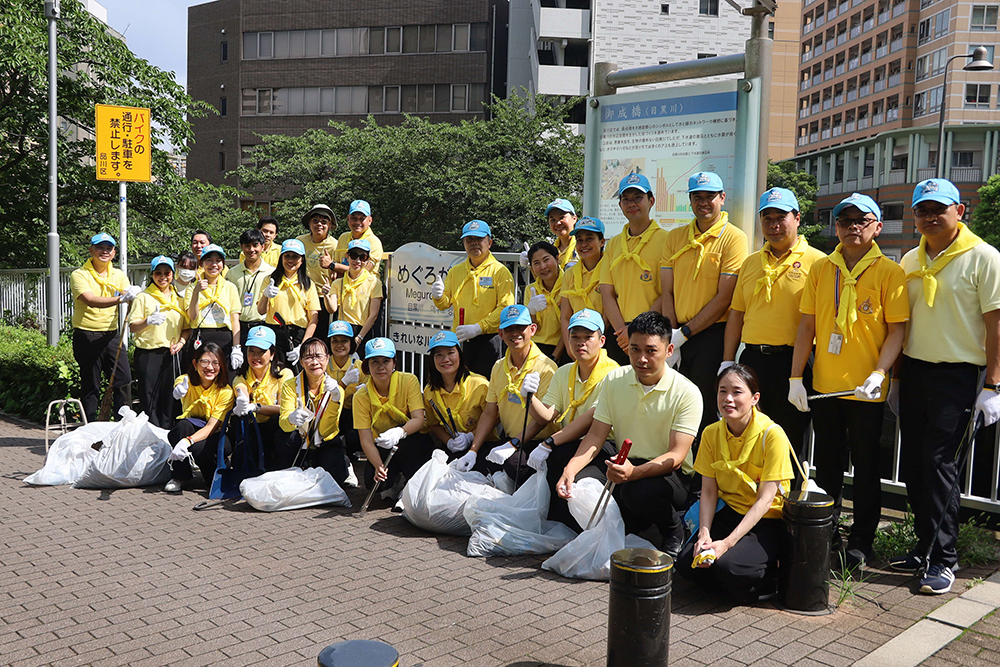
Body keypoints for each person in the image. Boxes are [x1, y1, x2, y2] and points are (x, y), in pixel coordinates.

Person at [789, 192, 908, 572]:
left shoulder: (891, 272)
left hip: (866, 390)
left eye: (862, 221)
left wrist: (880, 372)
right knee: (826, 466)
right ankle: (826, 535)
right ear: (835, 227)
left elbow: (897, 330)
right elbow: (807, 324)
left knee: (868, 467)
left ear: (877, 226)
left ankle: (861, 541)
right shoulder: (823, 269)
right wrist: (795, 376)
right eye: (845, 221)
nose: (853, 227)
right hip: (825, 386)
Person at [893, 179, 1000, 594]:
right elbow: (903, 326)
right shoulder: (909, 261)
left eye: (938, 208)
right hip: (917, 370)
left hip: (959, 375)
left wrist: (993, 383)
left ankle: (944, 557)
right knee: (917, 466)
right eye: (922, 210)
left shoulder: (983, 257)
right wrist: (897, 380)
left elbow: (996, 326)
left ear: (960, 210)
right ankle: (923, 548)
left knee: (940, 466)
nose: (930, 216)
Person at [556, 310, 702, 557]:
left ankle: (674, 530)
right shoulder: (615, 380)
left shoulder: (687, 393)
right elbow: (595, 436)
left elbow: (676, 455)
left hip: (669, 473)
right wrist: (569, 471)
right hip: (625, 464)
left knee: (636, 493)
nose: (641, 359)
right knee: (578, 477)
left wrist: (635, 473)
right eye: (635, 349)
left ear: (669, 351)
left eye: (651, 350)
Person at [722, 188, 826, 461]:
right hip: (753, 360)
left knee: (790, 441)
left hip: (796, 362)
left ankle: (789, 500)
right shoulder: (751, 263)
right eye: (767, 218)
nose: (774, 225)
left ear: (798, 218)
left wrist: (798, 375)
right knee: (751, 436)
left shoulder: (818, 262)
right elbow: (737, 314)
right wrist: (726, 361)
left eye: (781, 217)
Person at [678, 364, 794, 602]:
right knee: (685, 564)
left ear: (755, 398)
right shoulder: (711, 433)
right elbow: (709, 492)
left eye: (737, 392)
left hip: (764, 521)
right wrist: (704, 534)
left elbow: (765, 500)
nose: (728, 399)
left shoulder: (772, 435)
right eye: (722, 391)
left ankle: (768, 576)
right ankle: (738, 584)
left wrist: (727, 544)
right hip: (728, 511)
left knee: (727, 567)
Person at [662, 171, 748, 438]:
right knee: (674, 406)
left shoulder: (734, 238)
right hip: (676, 336)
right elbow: (667, 291)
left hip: (711, 336)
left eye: (710, 196)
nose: (703, 202)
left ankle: (702, 477)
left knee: (703, 410)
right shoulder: (674, 237)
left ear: (722, 198)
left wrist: (685, 334)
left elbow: (725, 297)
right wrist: (671, 335)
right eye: (697, 197)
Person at [524, 309, 619, 529]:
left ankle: (574, 528)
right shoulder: (564, 371)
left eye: (588, 337)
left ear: (602, 340)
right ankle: (555, 524)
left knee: (564, 465)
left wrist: (549, 442)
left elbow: (590, 419)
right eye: (575, 336)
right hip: (569, 440)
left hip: (602, 443)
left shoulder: (613, 373)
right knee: (537, 462)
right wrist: (529, 398)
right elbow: (547, 415)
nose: (580, 343)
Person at [454, 304, 558, 477]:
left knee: (513, 465)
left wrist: (514, 444)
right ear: (500, 333)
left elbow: (543, 420)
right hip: (509, 441)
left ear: (532, 329)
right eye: (509, 328)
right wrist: (473, 450)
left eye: (520, 327)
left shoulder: (547, 368)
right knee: (476, 465)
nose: (515, 333)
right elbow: (489, 413)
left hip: (538, 443)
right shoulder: (498, 367)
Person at [431, 220, 515, 378]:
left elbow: (505, 309)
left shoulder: (500, 272)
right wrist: (438, 296)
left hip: (490, 340)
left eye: (479, 239)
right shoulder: (456, 271)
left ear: (489, 243)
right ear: (463, 243)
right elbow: (444, 304)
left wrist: (478, 328)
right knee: (463, 384)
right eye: (469, 240)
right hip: (461, 340)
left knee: (487, 388)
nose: (474, 243)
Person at [70, 233, 140, 421]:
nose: (104, 251)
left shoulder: (118, 275)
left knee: (123, 380)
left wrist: (136, 295)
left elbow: (129, 295)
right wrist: (121, 299)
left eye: (109, 248)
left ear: (114, 252)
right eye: (100, 247)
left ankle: (120, 427)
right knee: (91, 385)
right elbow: (91, 300)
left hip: (111, 336)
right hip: (87, 335)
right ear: (91, 250)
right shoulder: (79, 274)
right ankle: (89, 429)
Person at [601, 174, 669, 366]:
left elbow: (668, 292)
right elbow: (607, 293)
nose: (632, 204)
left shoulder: (667, 240)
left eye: (638, 198)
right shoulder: (613, 244)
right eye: (626, 199)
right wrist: (623, 330)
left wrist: (636, 329)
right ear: (620, 205)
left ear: (651, 200)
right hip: (619, 335)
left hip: (653, 332)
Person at [353, 338, 433, 498]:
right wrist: (378, 466)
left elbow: (418, 419)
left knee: (414, 449)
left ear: (394, 363)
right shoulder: (360, 396)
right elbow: (366, 440)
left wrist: (400, 432)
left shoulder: (409, 380)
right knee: (373, 481)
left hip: (411, 439)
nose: (381, 367)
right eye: (374, 361)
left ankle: (410, 484)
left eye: (386, 361)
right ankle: (394, 479)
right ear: (367, 366)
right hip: (383, 445)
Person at [165, 342, 236, 493]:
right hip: (192, 426)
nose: (210, 367)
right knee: (181, 428)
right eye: (204, 362)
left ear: (222, 366)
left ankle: (217, 468)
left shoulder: (226, 392)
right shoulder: (186, 380)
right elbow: (178, 385)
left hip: (216, 434)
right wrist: (178, 391)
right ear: (195, 363)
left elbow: (211, 427)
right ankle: (179, 476)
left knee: (199, 450)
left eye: (215, 363)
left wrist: (187, 441)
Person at [278, 337, 349, 482]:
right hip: (299, 440)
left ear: (327, 359)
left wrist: (335, 399)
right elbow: (283, 424)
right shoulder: (290, 385)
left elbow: (326, 430)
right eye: (309, 357)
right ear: (301, 362)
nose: (315, 362)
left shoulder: (337, 390)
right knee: (285, 438)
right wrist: (291, 418)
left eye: (319, 356)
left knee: (336, 479)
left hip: (325, 440)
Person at [129, 255, 188, 428]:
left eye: (167, 273)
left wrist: (181, 343)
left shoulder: (179, 297)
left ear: (173, 274)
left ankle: (168, 437)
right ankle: (151, 436)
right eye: (158, 273)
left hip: (172, 354)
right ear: (152, 275)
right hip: (149, 354)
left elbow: (186, 327)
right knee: (149, 399)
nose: (163, 277)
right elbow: (132, 326)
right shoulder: (143, 297)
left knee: (171, 398)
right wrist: (147, 321)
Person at [232, 326, 294, 472]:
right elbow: (241, 389)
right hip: (254, 429)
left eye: (261, 352)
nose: (255, 356)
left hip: (277, 430)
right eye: (251, 351)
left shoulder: (284, 375)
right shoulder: (241, 377)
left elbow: (283, 408)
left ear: (272, 354)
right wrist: (242, 398)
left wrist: (256, 407)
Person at [423, 330, 492, 460]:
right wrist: (448, 441)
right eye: (439, 355)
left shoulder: (480, 385)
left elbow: (494, 418)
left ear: (460, 355)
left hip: (483, 445)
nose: (446, 359)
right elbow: (433, 424)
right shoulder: (429, 391)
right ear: (432, 360)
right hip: (452, 448)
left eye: (450, 353)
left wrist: (470, 437)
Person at [257, 239, 320, 366]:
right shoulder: (270, 280)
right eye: (287, 256)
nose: (291, 260)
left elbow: (313, 319)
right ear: (281, 258)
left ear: (302, 260)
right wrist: (265, 295)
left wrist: (303, 345)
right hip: (274, 332)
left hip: (298, 334)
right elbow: (261, 310)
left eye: (295, 257)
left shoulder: (308, 284)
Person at [182, 243, 242, 370]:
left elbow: (235, 319)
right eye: (209, 260)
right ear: (202, 263)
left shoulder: (230, 287)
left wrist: (236, 347)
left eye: (218, 261)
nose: (214, 264)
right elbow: (192, 316)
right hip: (201, 336)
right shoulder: (192, 288)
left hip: (224, 337)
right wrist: (196, 292)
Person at [560, 217, 607, 358]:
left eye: (589, 239)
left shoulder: (610, 269)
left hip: (602, 339)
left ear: (602, 241)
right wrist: (569, 346)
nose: (584, 244)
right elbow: (565, 316)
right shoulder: (569, 274)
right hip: (577, 342)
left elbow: (610, 310)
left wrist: (596, 340)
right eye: (579, 240)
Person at [327, 320, 367, 482]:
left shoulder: (360, 366)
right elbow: (324, 399)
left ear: (351, 343)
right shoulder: (323, 365)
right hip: (329, 413)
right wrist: (343, 382)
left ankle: (349, 453)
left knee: (354, 436)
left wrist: (365, 392)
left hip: (353, 415)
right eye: (334, 341)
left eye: (344, 340)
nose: (339, 345)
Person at [327, 239, 383, 348]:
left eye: (363, 257)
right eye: (354, 255)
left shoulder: (374, 282)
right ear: (347, 257)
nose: (357, 260)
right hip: (343, 331)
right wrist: (325, 295)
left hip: (363, 331)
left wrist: (359, 337)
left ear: (368, 259)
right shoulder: (338, 283)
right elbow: (332, 309)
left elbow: (373, 315)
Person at [296, 203, 339, 336]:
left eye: (324, 221)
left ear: (330, 225)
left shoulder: (335, 245)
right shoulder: (300, 241)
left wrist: (332, 265)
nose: (319, 224)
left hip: (324, 296)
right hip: (302, 294)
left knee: (322, 335)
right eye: (315, 221)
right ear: (309, 223)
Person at [228, 228, 275, 348]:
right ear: (242, 247)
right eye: (247, 246)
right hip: (238, 327)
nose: (251, 250)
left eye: (255, 245)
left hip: (263, 326)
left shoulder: (272, 272)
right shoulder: (232, 273)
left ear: (263, 247)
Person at [525, 241, 566, 363]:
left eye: (546, 260)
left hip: (564, 346)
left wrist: (554, 357)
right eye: (536, 263)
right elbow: (532, 328)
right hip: (535, 347)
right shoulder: (531, 289)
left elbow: (568, 326)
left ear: (557, 259)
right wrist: (531, 311)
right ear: (532, 268)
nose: (543, 267)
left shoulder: (570, 284)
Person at [521, 198, 579, 271]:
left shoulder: (582, 247)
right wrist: (531, 263)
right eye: (552, 220)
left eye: (562, 217)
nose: (558, 223)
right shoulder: (550, 250)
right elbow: (543, 280)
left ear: (574, 218)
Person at [332, 200, 384, 276]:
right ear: (348, 219)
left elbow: (362, 271)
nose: (357, 222)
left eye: (362, 219)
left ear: (370, 221)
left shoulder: (374, 242)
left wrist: (335, 266)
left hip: (366, 286)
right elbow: (336, 262)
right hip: (342, 285)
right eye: (354, 218)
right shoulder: (343, 237)